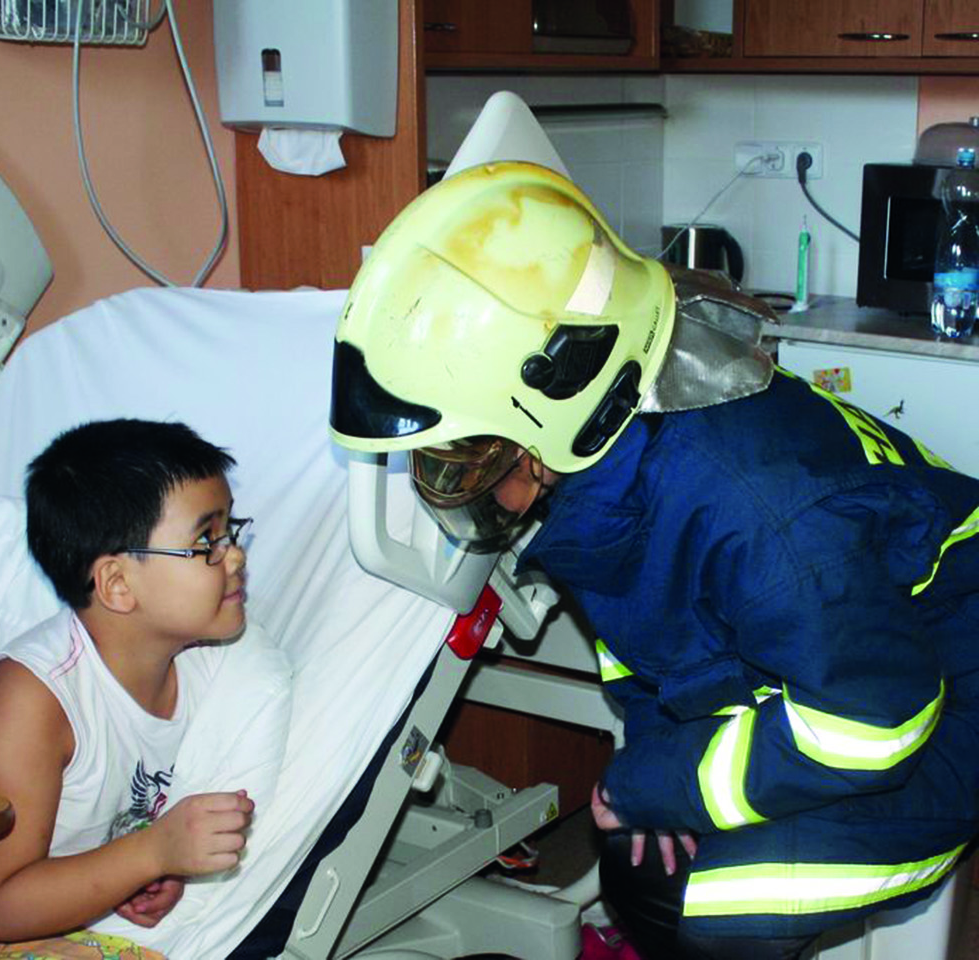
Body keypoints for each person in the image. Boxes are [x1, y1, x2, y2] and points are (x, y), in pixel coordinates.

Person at [327, 161, 979, 959]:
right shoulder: (607, 459)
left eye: (469, 462)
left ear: (552, 409)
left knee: (719, 905)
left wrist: (657, 786)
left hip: (945, 686)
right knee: (641, 865)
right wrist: (654, 763)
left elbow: (870, 731)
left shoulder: (756, 514)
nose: (458, 489)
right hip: (871, 648)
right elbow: (650, 642)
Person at [0, 418, 256, 943]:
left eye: (230, 530)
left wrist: (146, 869)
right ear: (117, 585)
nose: (235, 555)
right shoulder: (31, 702)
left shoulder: (193, 670)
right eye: (205, 540)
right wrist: (152, 852)